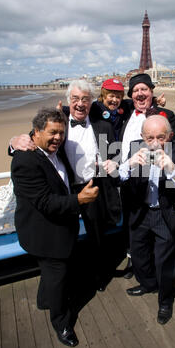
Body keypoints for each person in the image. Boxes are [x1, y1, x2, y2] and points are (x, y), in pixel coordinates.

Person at [10, 79, 121, 291]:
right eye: (76, 99)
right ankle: (70, 276)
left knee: (97, 236)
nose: (80, 104)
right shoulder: (58, 123)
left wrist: (113, 163)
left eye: (85, 99)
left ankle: (98, 276)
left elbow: (114, 155)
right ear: (69, 100)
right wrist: (14, 141)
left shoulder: (103, 125)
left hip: (94, 187)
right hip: (65, 190)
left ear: (91, 102)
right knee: (65, 235)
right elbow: (33, 137)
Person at [11, 108, 99, 347]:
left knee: (51, 273)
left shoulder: (52, 150)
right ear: (36, 132)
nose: (58, 138)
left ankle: (43, 300)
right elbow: (44, 202)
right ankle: (61, 323)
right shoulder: (25, 160)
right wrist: (79, 200)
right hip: (44, 233)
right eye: (52, 133)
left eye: (61, 133)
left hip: (59, 227)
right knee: (58, 276)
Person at [119, 115, 175, 325]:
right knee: (139, 255)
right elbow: (118, 178)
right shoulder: (135, 147)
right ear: (142, 136)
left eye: (161, 137)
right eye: (149, 137)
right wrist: (129, 164)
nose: (155, 143)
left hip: (164, 213)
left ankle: (165, 300)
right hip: (140, 212)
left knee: (164, 262)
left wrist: (170, 167)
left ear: (169, 136)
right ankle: (148, 284)